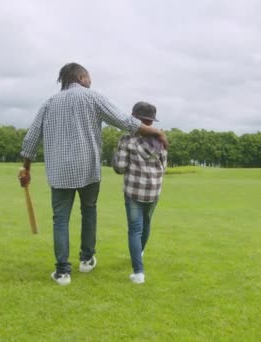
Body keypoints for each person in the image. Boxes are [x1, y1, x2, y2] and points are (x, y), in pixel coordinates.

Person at [19, 63, 168, 286]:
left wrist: (27, 169)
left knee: (60, 220)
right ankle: (87, 259)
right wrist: (156, 130)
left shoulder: (48, 103)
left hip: (59, 172)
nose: (90, 81)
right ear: (81, 77)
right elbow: (125, 121)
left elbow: (30, 140)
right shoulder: (92, 97)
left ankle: (62, 273)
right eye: (88, 78)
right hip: (89, 169)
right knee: (88, 212)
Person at [113, 101, 167, 284]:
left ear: (135, 118)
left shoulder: (127, 139)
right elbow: (163, 167)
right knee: (146, 223)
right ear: (151, 121)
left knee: (135, 229)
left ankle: (138, 272)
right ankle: (139, 254)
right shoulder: (161, 139)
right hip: (154, 190)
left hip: (133, 190)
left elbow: (119, 167)